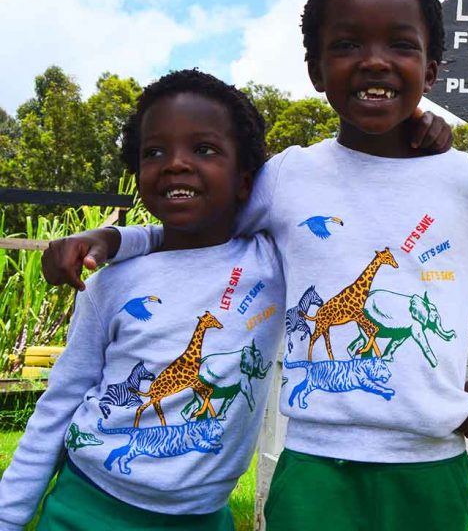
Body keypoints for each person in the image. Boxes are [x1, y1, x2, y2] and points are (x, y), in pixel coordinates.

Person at [42, 0, 468, 530]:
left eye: (400, 46)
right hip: (313, 465)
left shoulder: (466, 182)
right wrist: (111, 238)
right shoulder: (288, 177)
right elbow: (202, 232)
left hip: (430, 460)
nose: (375, 60)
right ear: (315, 68)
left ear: (430, 71)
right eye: (348, 44)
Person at [0, 69, 283, 531]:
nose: (175, 163)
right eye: (154, 152)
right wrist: (8, 518)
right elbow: (60, 403)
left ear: (246, 180)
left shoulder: (272, 263)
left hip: (202, 519)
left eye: (204, 149)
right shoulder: (110, 284)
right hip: (86, 508)